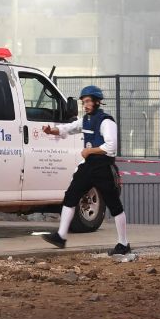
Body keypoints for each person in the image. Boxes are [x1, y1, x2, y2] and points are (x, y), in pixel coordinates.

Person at [40, 85, 130, 255]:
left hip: (103, 166)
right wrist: (52, 130)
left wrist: (90, 150)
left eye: (88, 101)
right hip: (88, 166)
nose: (85, 105)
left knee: (114, 204)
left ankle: (123, 243)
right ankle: (60, 236)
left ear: (97, 102)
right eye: (83, 102)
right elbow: (69, 128)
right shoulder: (86, 120)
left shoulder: (106, 121)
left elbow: (111, 146)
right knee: (71, 195)